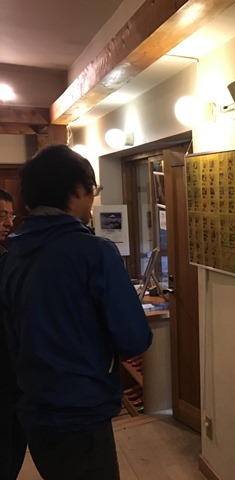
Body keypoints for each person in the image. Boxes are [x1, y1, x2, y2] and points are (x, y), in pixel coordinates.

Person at [0, 145, 153, 480]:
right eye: (92, 191)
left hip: (33, 410)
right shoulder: (95, 252)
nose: (93, 201)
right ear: (77, 189)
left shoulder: (14, 253)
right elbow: (133, 338)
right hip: (80, 412)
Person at [0, 188, 27, 480]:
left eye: (11, 215)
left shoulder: (9, 257)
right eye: (1, 215)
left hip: (12, 368)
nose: (9, 223)